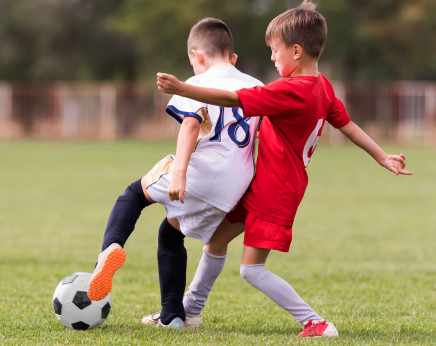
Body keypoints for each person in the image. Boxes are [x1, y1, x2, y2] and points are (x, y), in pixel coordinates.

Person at [156, 0, 413, 337]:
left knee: (251, 271)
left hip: (274, 191)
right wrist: (381, 155)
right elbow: (347, 124)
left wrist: (182, 89)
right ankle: (191, 313)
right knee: (215, 243)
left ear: (295, 51)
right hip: (265, 184)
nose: (272, 58)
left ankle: (315, 323)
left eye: (275, 51)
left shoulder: (289, 91)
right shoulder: (322, 87)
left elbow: (234, 99)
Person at [87, 17, 263, 328]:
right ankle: (172, 317)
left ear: (197, 56)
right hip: (234, 189)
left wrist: (179, 172)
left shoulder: (195, 83)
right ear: (233, 58)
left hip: (198, 172)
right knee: (170, 234)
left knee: (133, 194)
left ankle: (109, 249)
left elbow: (192, 124)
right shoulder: (256, 86)